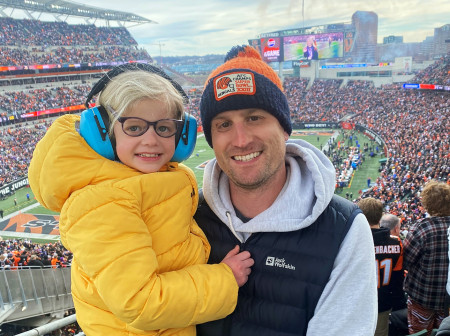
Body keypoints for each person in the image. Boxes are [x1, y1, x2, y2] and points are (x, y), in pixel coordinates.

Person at [28, 63, 254, 336]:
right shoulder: (104, 202)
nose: (151, 140)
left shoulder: (149, 183)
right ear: (104, 133)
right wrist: (224, 279)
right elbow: (140, 302)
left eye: (164, 127)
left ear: (182, 135)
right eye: (134, 127)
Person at [194, 45, 377, 336]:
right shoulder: (187, 215)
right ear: (212, 139)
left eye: (254, 117)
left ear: (284, 128)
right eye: (224, 124)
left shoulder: (345, 229)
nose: (240, 140)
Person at [404, 180, 450, 335]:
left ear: (427, 203)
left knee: (420, 332)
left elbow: (407, 260)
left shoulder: (421, 227)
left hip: (422, 296)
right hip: (447, 299)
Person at [357, 197, 405, 336]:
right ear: (380, 217)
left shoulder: (352, 240)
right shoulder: (396, 243)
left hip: (358, 300)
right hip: (382, 301)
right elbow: (397, 277)